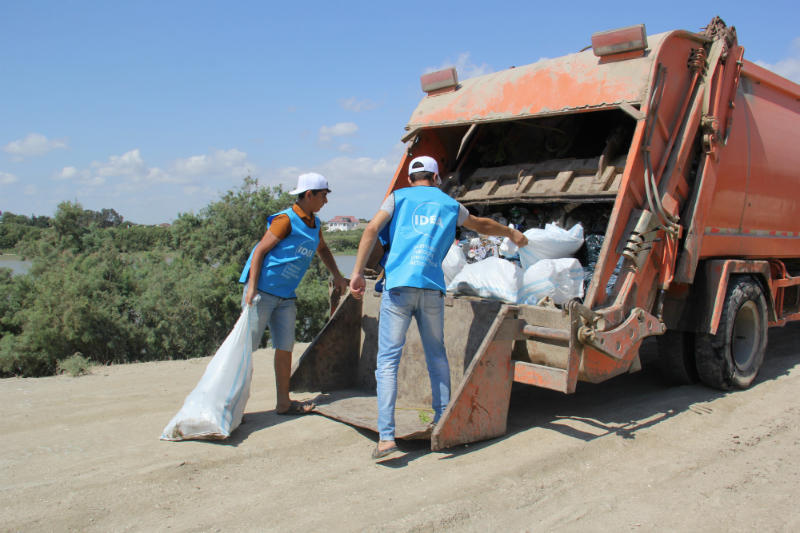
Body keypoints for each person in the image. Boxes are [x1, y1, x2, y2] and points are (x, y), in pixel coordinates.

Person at [349, 156, 528, 459]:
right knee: (436, 354)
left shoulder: (398, 197)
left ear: (410, 178)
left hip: (399, 288)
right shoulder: (449, 204)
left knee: (389, 360)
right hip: (431, 288)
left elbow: (370, 231)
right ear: (436, 177)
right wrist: (511, 233)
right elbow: (481, 225)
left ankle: (387, 439)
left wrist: (356, 273)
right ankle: (443, 418)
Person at [240, 172, 348, 415]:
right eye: (323, 196)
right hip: (263, 292)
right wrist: (252, 289)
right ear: (308, 195)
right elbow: (259, 252)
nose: (326, 202)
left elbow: (322, 249)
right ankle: (235, 408)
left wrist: (338, 275)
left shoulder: (315, 223)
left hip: (286, 295)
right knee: (246, 350)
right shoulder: (285, 220)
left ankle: (283, 402)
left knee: (285, 347)